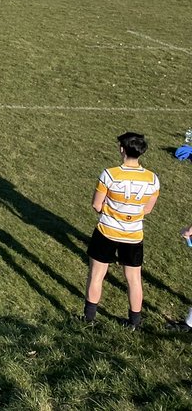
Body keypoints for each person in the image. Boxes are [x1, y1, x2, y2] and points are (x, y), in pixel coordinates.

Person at [83, 132, 160, 330]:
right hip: (134, 234)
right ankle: (134, 322)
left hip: (107, 231)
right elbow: (148, 209)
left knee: (97, 275)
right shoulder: (152, 179)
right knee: (134, 279)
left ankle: (89, 319)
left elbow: (96, 204)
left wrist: (111, 213)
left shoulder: (109, 174)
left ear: (122, 149)